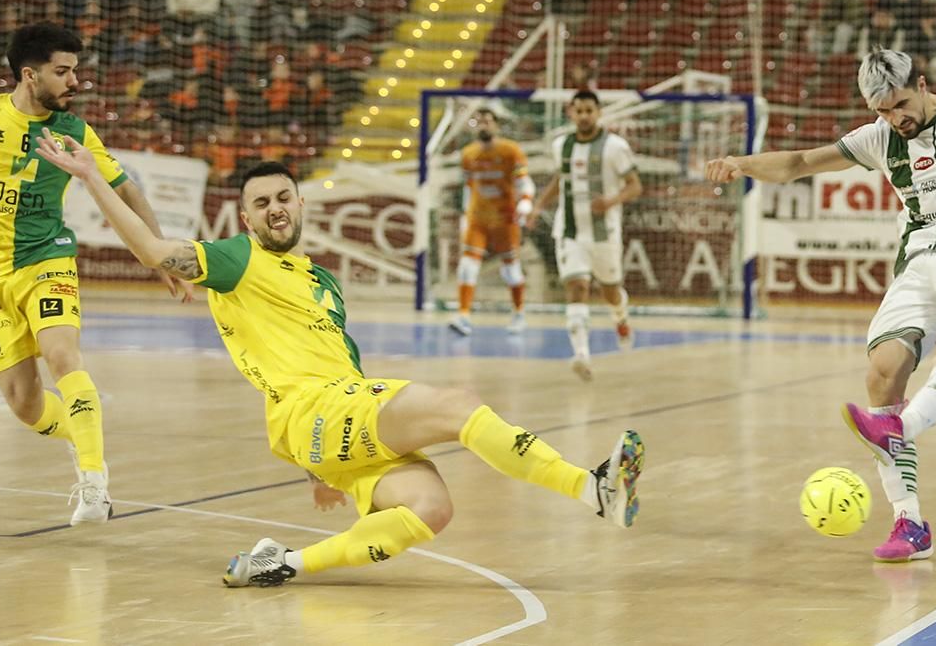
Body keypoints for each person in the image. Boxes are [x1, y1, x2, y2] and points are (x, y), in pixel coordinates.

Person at [33, 142, 646, 587]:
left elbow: (334, 363)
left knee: (432, 509)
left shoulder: (324, 281)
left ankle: (282, 565)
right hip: (315, 411)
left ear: (299, 204)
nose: (274, 209)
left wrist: (316, 465)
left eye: (282, 198)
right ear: (244, 218)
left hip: (329, 420)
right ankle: (593, 491)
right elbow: (152, 250)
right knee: (457, 404)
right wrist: (91, 176)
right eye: (260, 203)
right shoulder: (237, 258)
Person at [705, 49, 936, 562]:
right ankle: (910, 523)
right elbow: (797, 164)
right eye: (881, 111)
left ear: (922, 83)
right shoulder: (879, 138)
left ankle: (897, 429)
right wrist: (739, 163)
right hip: (920, 260)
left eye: (900, 105)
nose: (894, 119)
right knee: (882, 373)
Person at [0, 23, 192, 526]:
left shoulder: (74, 131)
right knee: (24, 405)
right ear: (30, 75)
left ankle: (93, 484)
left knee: (62, 354)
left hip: (47, 257)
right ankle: (81, 433)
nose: (75, 82)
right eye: (63, 72)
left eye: (76, 71)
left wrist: (158, 254)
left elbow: (129, 191)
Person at [528, 90, 643, 382]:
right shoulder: (561, 145)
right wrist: (539, 206)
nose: (584, 116)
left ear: (598, 112)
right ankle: (581, 355)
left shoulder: (615, 147)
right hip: (569, 232)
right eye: (578, 111)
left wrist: (611, 201)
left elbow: (635, 186)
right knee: (577, 287)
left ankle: (621, 318)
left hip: (605, 234)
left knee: (610, 293)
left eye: (589, 110)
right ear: (571, 113)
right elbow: (560, 179)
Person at [448, 108, 535, 336]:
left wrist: (525, 202)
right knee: (467, 267)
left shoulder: (510, 151)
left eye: (487, 121)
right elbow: (469, 188)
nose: (483, 125)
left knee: (511, 270)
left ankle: (519, 313)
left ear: (496, 125)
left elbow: (524, 182)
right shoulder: (468, 154)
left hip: (505, 220)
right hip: (477, 220)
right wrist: (464, 216)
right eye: (478, 122)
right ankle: (464, 315)